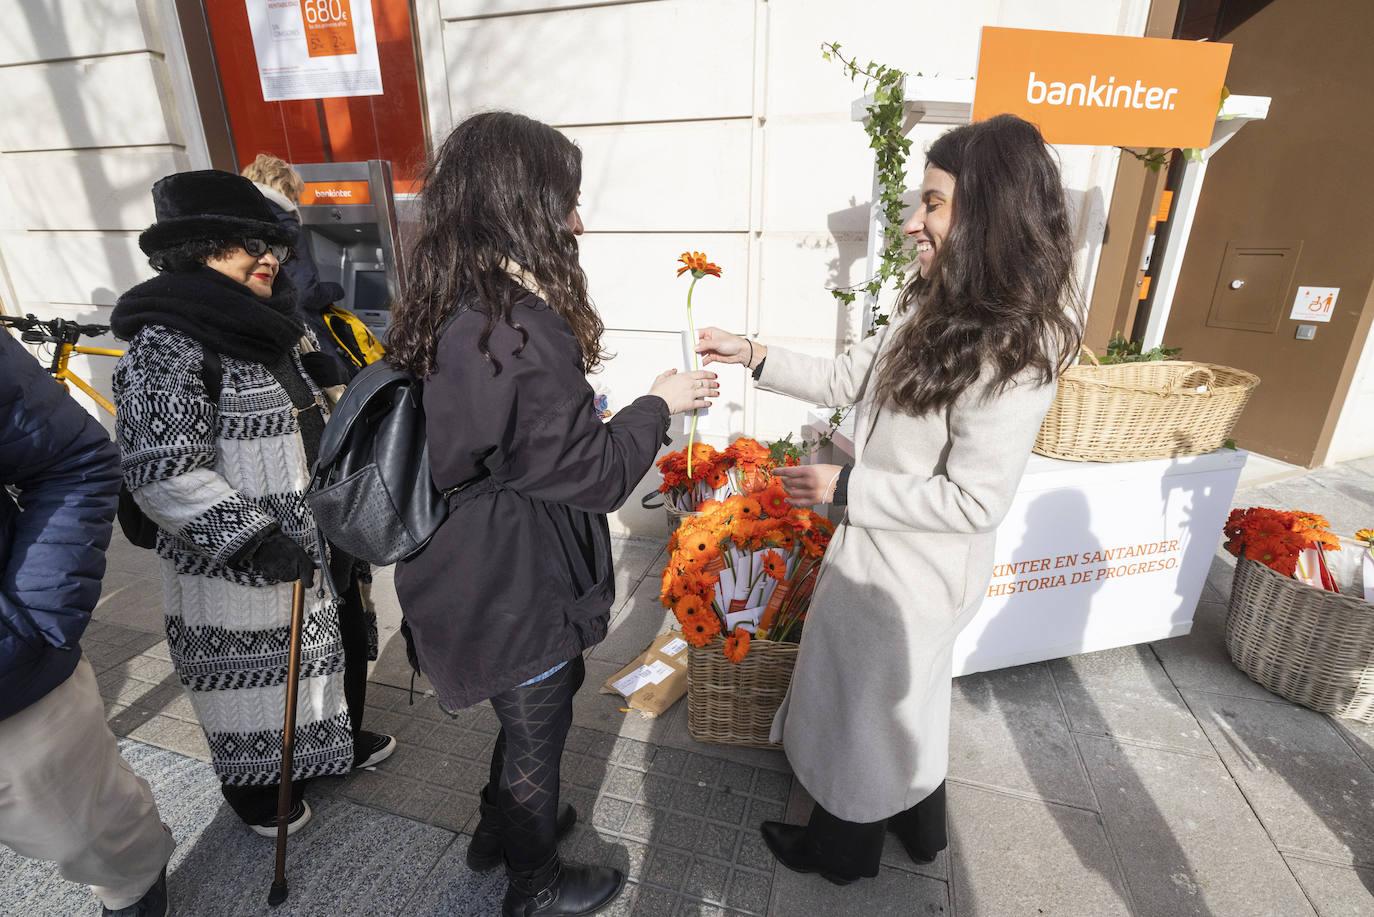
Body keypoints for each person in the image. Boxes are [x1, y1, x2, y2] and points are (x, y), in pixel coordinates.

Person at [696, 114, 1084, 884]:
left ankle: (838, 854)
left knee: (862, 717)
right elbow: (847, 379)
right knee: (904, 707)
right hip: (887, 551)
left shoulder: (1017, 351)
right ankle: (921, 828)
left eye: (933, 204)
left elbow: (977, 502)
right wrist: (754, 352)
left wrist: (848, 486)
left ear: (989, 215)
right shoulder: (932, 304)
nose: (912, 222)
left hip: (914, 573)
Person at [386, 111, 718, 917]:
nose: (576, 220)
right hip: (512, 573)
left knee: (532, 696)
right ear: (519, 204)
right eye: (564, 201)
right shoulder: (516, 325)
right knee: (537, 722)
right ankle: (531, 888)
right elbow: (595, 473)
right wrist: (657, 404)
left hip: (462, 560)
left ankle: (499, 829)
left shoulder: (450, 300)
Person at [110, 170, 395, 838]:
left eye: (272, 242)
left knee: (338, 643)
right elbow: (162, 470)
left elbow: (312, 404)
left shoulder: (276, 322)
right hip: (244, 556)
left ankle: (332, 744)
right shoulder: (165, 344)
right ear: (200, 248)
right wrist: (254, 539)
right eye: (247, 243)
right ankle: (256, 794)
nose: (270, 256)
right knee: (252, 674)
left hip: (323, 529)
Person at [0, 329, 175, 916]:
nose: (267, 260)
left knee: (90, 831)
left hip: (13, 679)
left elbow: (70, 458)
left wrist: (39, 618)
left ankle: (135, 887)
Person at [241, 152, 385, 387]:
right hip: (304, 332)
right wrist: (337, 290)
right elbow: (306, 291)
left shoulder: (244, 223)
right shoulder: (284, 224)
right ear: (284, 187)